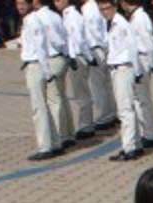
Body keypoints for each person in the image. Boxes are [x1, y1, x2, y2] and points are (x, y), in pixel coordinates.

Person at [99, 0, 143, 161]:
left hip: (123, 68)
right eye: (101, 9)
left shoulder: (121, 24)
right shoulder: (111, 24)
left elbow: (132, 48)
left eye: (107, 8)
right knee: (127, 108)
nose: (105, 12)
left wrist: (137, 71)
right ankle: (135, 144)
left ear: (115, 7)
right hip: (116, 68)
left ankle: (129, 148)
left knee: (125, 111)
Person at [19, 0, 61, 160]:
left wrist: (46, 71)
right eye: (17, 4)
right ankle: (55, 142)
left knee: (39, 108)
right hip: (34, 64)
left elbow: (40, 47)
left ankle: (45, 146)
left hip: (36, 65)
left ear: (31, 4)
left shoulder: (33, 21)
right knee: (44, 107)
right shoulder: (29, 20)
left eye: (23, 3)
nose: (20, 7)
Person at [120, 0, 153, 148]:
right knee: (139, 99)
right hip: (139, 58)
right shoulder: (135, 17)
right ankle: (148, 132)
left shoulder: (140, 17)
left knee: (143, 99)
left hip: (143, 58)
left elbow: (148, 42)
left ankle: (151, 134)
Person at [57, 0, 97, 140]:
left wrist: (85, 57)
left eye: (59, 0)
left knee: (81, 93)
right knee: (80, 92)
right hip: (76, 56)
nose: (57, 3)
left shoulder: (72, 15)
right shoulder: (67, 15)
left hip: (77, 57)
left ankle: (86, 125)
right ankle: (85, 123)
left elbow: (79, 39)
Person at [37, 0, 74, 150]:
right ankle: (68, 132)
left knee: (54, 99)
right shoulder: (55, 15)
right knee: (61, 97)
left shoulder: (40, 17)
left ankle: (60, 135)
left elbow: (55, 39)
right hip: (60, 57)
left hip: (52, 58)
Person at [82, 0, 118, 129]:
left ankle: (104, 115)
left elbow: (91, 33)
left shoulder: (88, 7)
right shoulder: (97, 5)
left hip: (95, 48)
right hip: (104, 47)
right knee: (107, 84)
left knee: (98, 86)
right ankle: (112, 112)